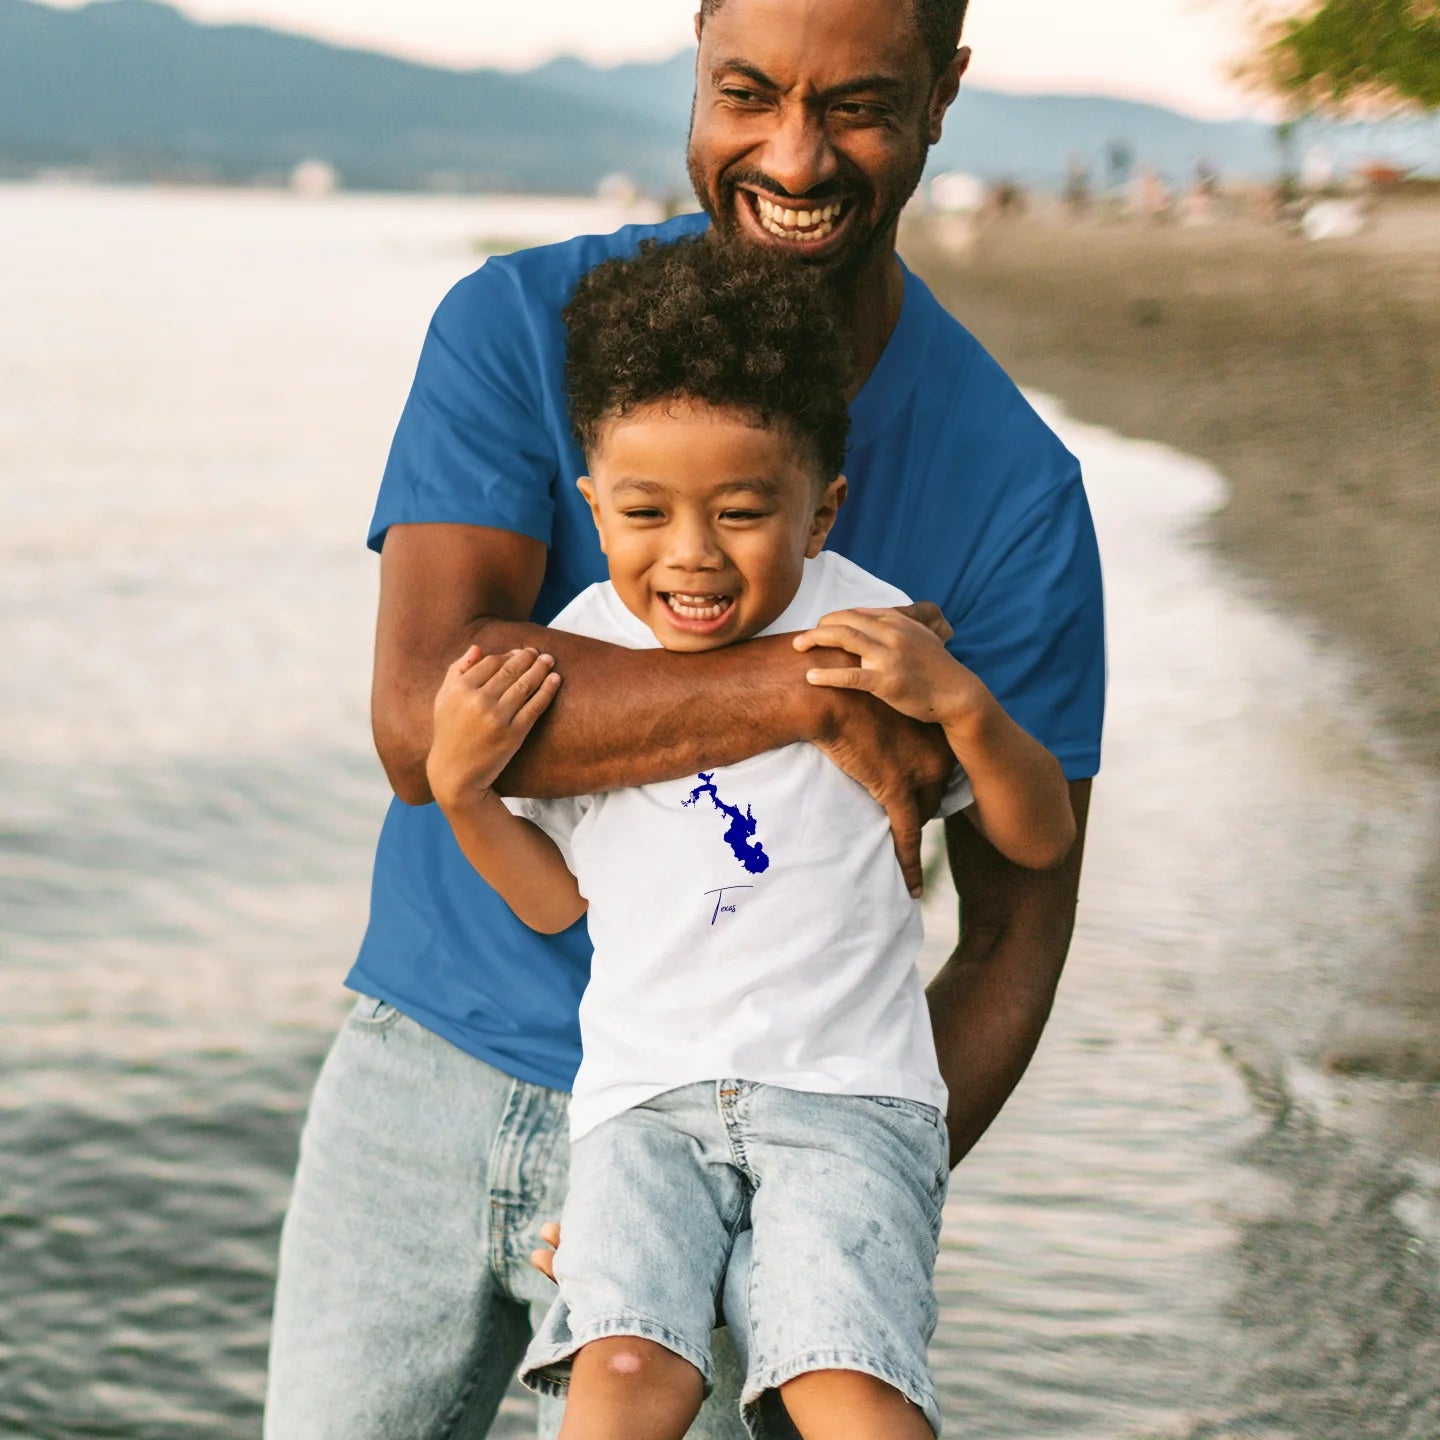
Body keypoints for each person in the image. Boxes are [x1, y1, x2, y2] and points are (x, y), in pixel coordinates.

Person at [263, 1, 1106, 1436]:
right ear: (697, 68)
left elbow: (1019, 923)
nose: (793, 153)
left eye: (855, 104)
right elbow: (422, 725)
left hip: (757, 1136)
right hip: (427, 1073)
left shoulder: (1015, 489)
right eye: (747, 92)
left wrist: (832, 1199)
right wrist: (805, 691)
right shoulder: (517, 329)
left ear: (945, 92)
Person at [425, 236, 1077, 1440]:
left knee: (845, 1385)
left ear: (820, 507)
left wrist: (967, 709)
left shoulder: (879, 637)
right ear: (592, 506)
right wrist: (465, 796)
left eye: (740, 511)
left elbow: (1034, 841)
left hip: (847, 1098)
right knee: (621, 1378)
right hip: (645, 1106)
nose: (692, 553)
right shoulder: (575, 653)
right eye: (644, 512)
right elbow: (554, 903)